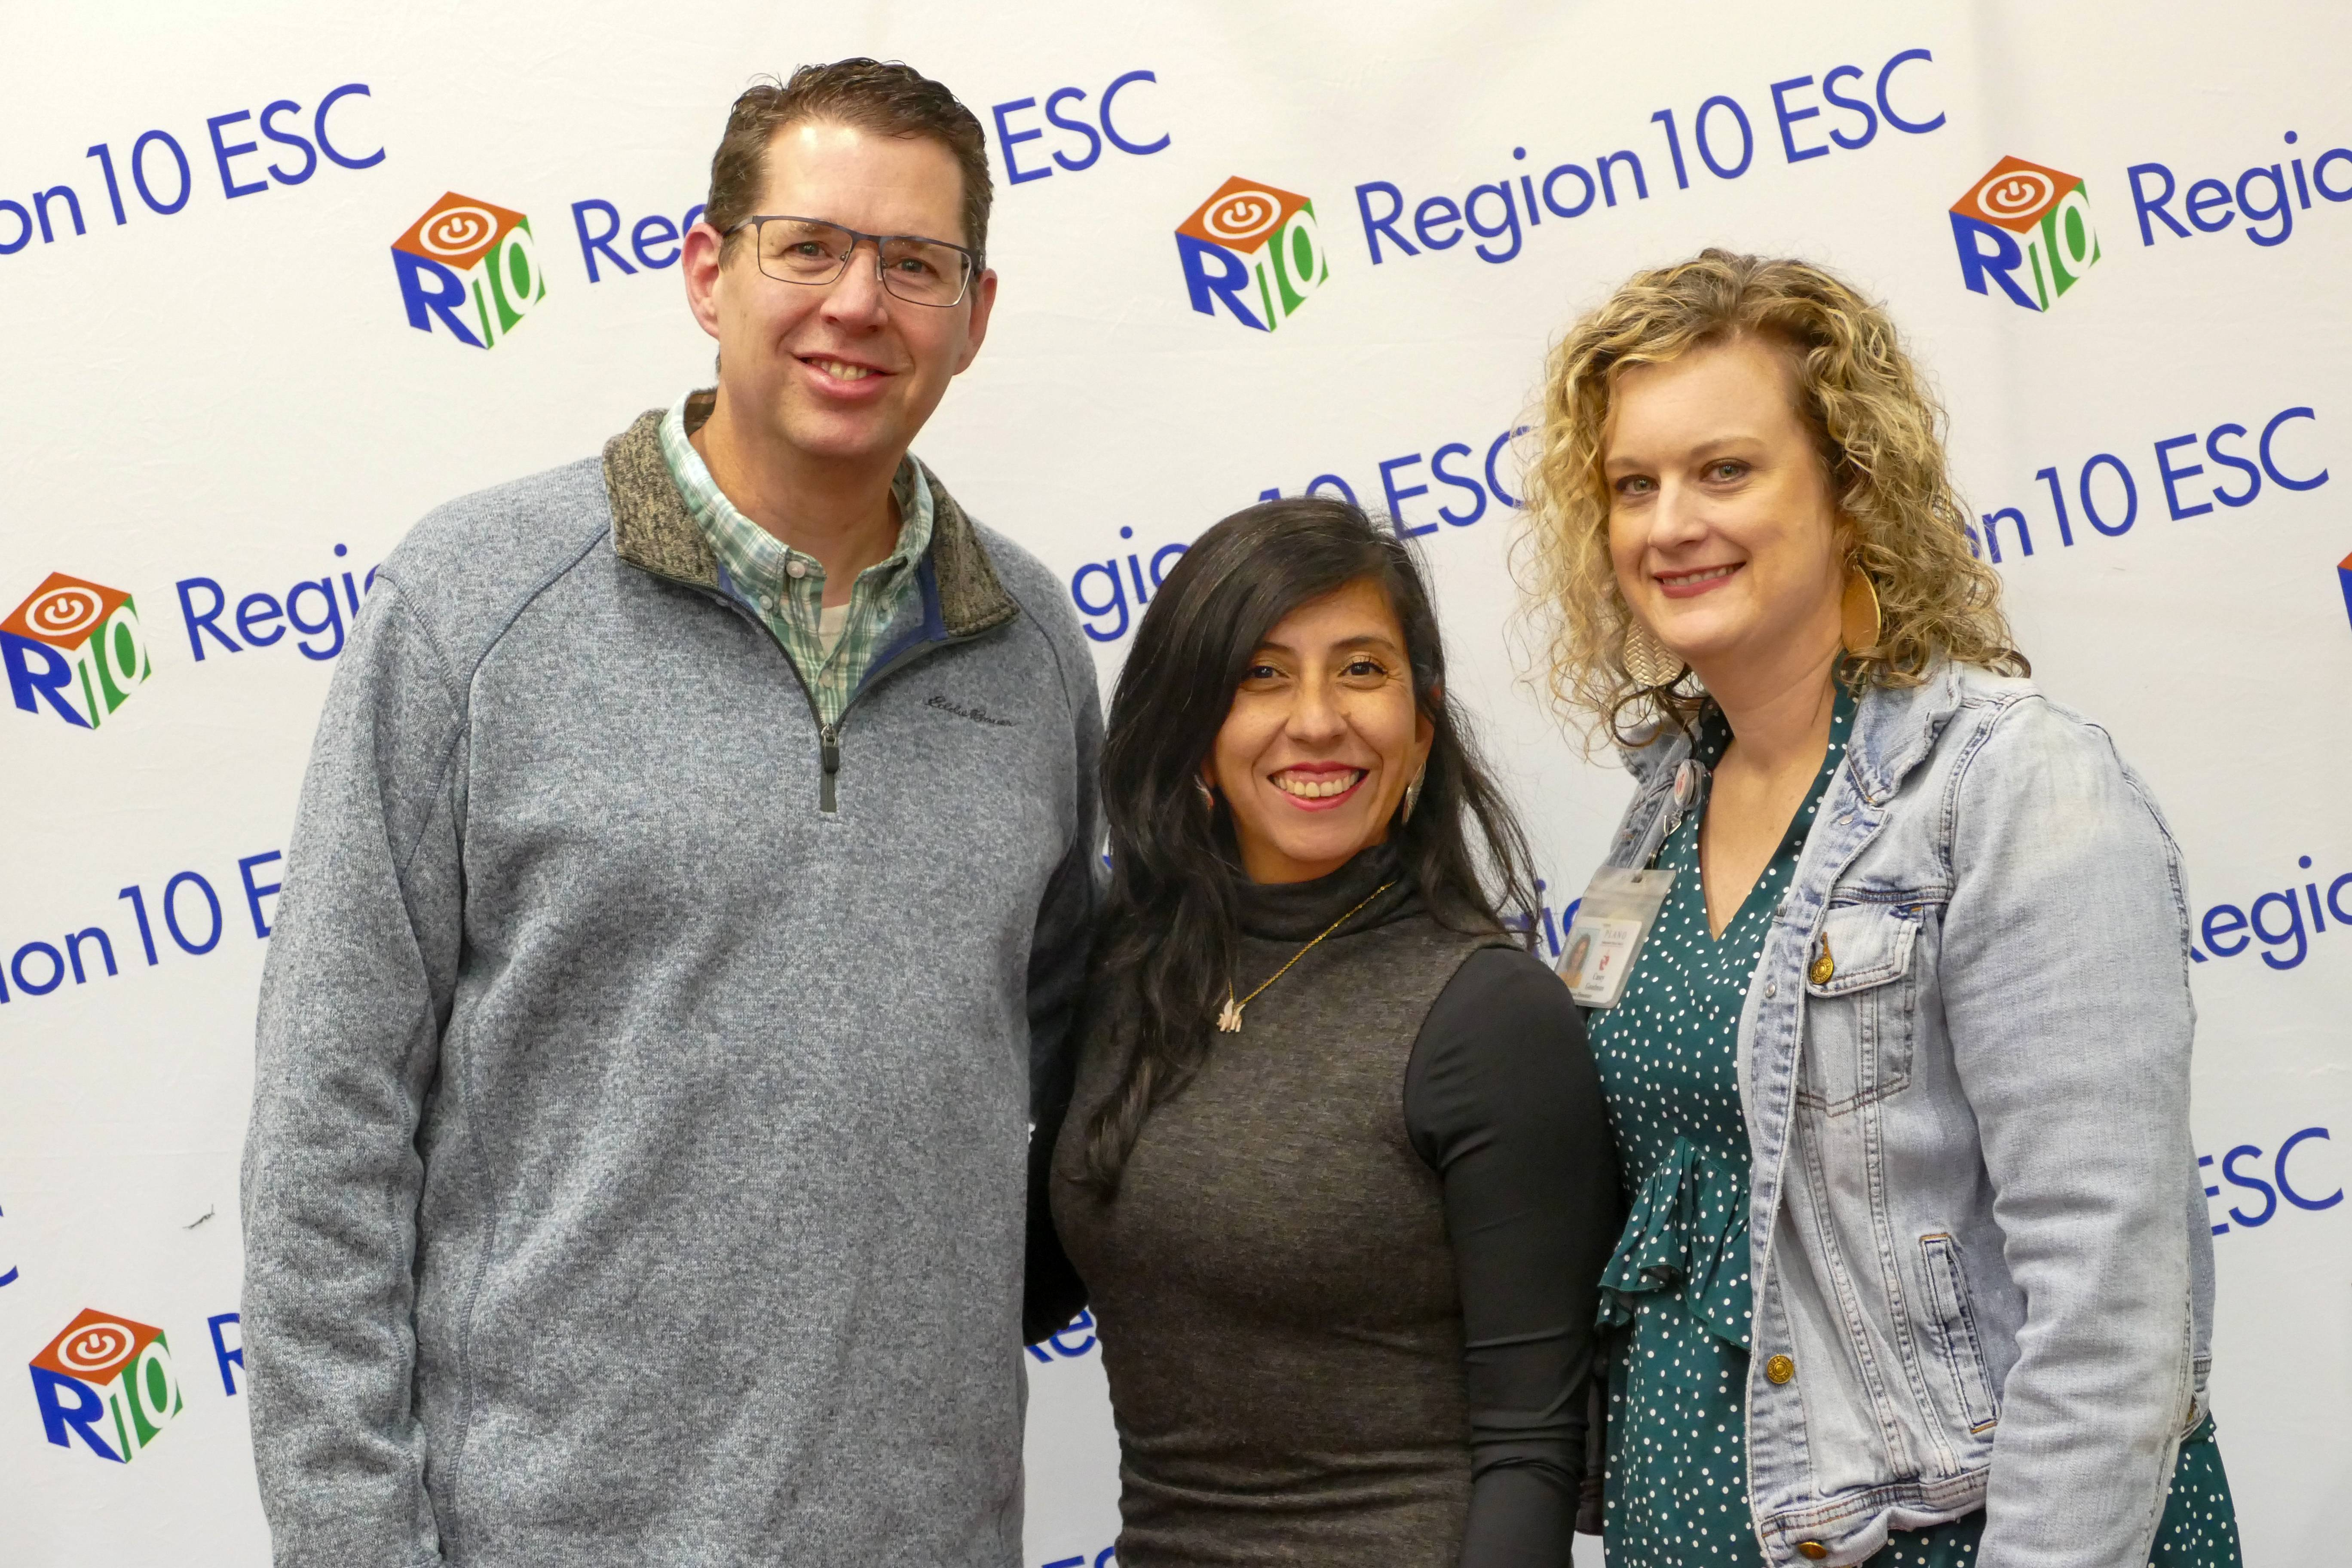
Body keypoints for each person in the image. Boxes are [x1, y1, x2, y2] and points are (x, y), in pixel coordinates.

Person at [240, 61, 1101, 1567]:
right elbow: (329, 1120)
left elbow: (1062, 1061)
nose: (860, 302)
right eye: (809, 246)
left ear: (972, 315)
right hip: (544, 1530)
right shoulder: (474, 603)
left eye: (916, 264)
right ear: (709, 270)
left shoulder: (1031, 650)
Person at [1519, 249, 2239, 1567]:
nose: (1669, 523)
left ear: (1852, 487)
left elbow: (2112, 1299)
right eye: (1635, 484)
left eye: (1725, 470)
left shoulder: (2012, 783)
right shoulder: (1664, 808)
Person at [1034, 499, 1621, 1567]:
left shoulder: (1487, 1016)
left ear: (1422, 726)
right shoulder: (1128, 968)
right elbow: (1029, 1285)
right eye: (1262, 675)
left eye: (1361, 670)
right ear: (1194, 726)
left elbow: (1533, 1449)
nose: (1317, 719)